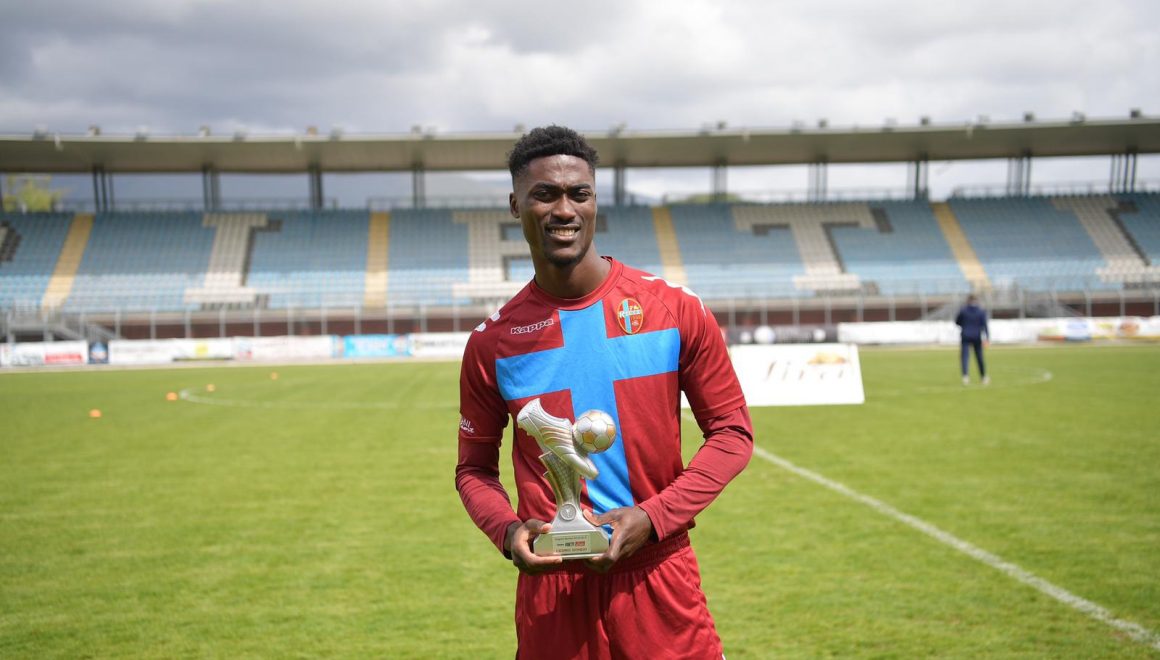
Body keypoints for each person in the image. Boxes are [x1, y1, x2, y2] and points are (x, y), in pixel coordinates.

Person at [455, 125, 753, 659]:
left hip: (658, 572)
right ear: (515, 205)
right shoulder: (491, 343)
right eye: (544, 194)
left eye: (579, 194)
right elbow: (473, 470)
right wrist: (506, 531)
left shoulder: (674, 310)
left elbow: (732, 434)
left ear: (595, 202)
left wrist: (655, 517)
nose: (563, 210)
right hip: (553, 590)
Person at [955, 294, 990, 385]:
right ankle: (983, 377)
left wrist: (965, 326)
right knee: (979, 357)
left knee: (965, 357)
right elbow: (985, 325)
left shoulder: (963, 310)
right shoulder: (981, 311)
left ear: (968, 301)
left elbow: (957, 322)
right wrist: (987, 338)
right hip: (977, 336)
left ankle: (965, 376)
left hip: (965, 335)